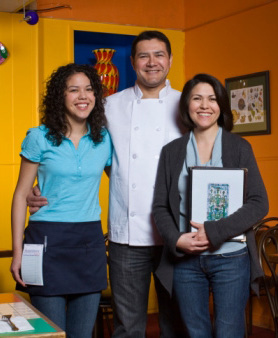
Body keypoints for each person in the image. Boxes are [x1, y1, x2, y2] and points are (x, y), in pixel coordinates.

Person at [27, 31, 185, 338]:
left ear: (170, 60)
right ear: (132, 61)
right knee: (127, 327)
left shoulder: (187, 104)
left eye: (159, 55)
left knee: (176, 322)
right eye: (143, 56)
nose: (151, 63)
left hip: (175, 234)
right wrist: (40, 187)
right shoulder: (110, 106)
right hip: (126, 235)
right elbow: (88, 156)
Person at [152, 73, 269, 338]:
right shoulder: (171, 151)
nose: (205, 105)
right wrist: (177, 240)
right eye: (197, 98)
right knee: (195, 333)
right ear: (187, 106)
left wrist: (215, 231)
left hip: (231, 258)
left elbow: (259, 202)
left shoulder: (239, 147)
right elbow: (160, 207)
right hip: (185, 260)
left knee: (229, 332)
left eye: (212, 99)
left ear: (221, 106)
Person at [10, 63, 112, 338]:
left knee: (81, 334)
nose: (83, 96)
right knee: (51, 334)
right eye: (73, 90)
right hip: (46, 241)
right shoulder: (39, 137)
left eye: (89, 89)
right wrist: (17, 252)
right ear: (60, 96)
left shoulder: (104, 140)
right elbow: (21, 194)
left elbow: (123, 184)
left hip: (89, 241)